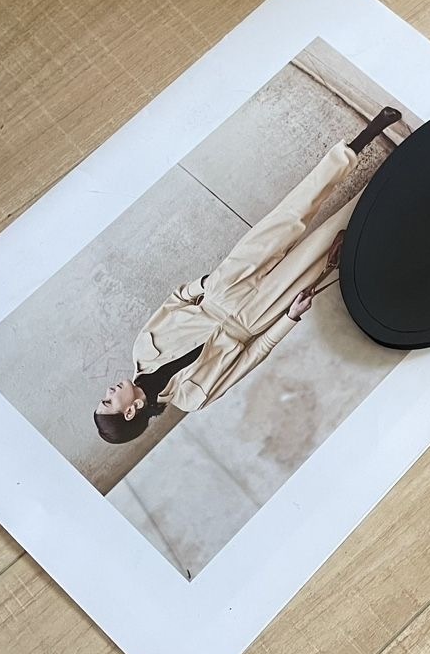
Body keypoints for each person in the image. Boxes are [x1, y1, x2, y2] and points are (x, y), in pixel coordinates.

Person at [94, 107, 401, 443]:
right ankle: (392, 174)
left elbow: (177, 298)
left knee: (293, 211)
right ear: (129, 412)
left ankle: (367, 135)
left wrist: (207, 283)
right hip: (257, 314)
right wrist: (290, 317)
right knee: (330, 238)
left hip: (226, 285)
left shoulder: (142, 348)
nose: (108, 391)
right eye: (108, 401)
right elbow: (253, 356)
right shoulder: (192, 399)